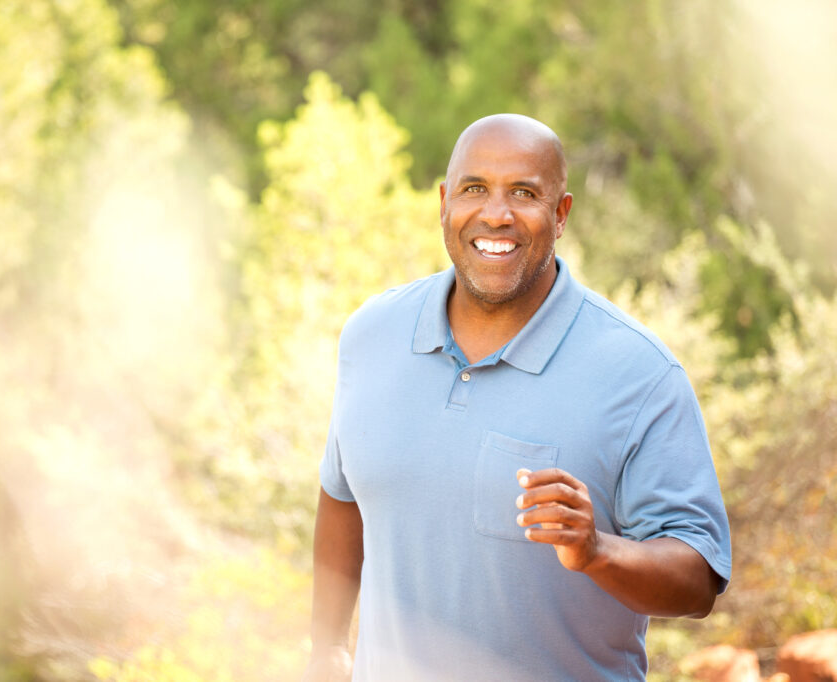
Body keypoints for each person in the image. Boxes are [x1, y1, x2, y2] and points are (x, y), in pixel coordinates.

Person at [303, 114, 731, 681]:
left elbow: (699, 581)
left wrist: (597, 551)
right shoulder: (372, 334)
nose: (496, 214)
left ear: (561, 214)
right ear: (444, 203)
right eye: (474, 188)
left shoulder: (640, 374)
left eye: (524, 193)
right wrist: (328, 645)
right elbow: (342, 495)